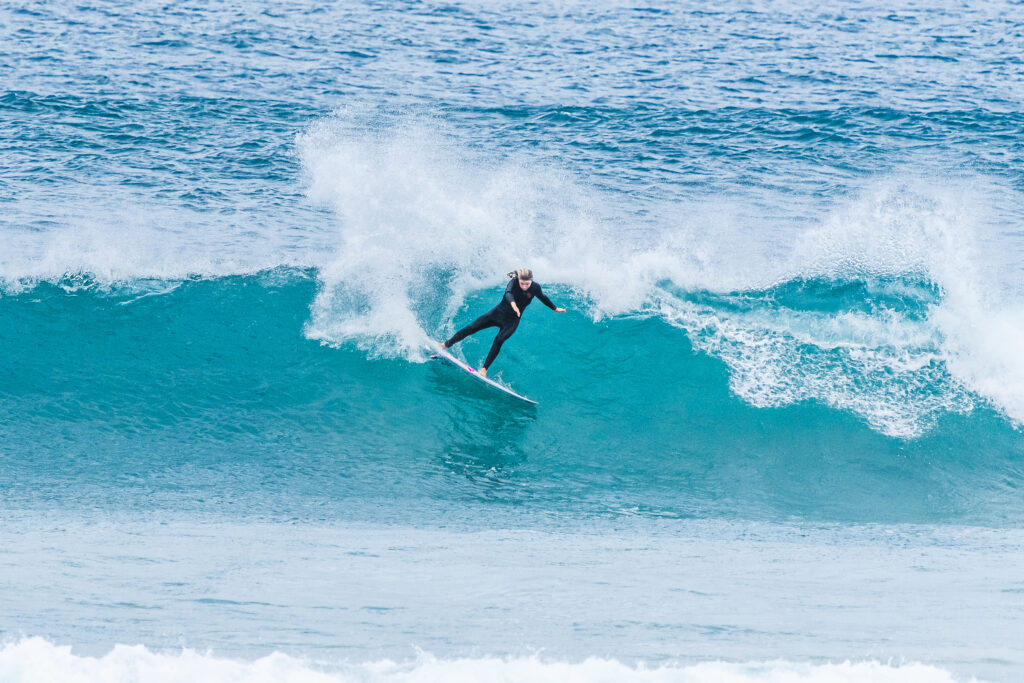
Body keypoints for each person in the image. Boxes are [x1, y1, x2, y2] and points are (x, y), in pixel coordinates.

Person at [441, 268, 565, 377]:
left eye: (527, 284)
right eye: (522, 283)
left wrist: (554, 308)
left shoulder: (535, 287)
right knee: (471, 327)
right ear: (519, 279)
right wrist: (514, 305)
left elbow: (543, 297)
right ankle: (445, 345)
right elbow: (508, 294)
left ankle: (484, 369)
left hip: (512, 321)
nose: (525, 286)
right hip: (498, 313)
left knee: (499, 340)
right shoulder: (513, 282)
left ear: (532, 280)